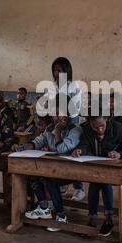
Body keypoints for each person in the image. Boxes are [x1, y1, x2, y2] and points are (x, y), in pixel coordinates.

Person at [12, 94, 82, 232]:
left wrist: (57, 132)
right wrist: (21, 148)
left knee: (50, 179)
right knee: (33, 175)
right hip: (54, 169)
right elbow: (38, 142)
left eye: (59, 113)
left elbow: (62, 149)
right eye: (54, 113)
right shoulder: (50, 128)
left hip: (72, 171)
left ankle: (61, 215)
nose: (56, 117)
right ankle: (44, 207)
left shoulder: (75, 130)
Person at [72, 115, 122, 236]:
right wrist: (80, 150)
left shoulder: (118, 129)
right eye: (96, 127)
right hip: (97, 168)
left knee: (103, 181)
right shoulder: (87, 130)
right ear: (89, 123)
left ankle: (106, 218)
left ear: (107, 119)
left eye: (102, 126)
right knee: (96, 181)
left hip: (116, 169)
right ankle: (95, 219)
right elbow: (84, 145)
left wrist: (119, 155)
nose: (99, 130)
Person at [49, 57, 85, 202]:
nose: (57, 73)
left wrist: (65, 115)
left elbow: (75, 106)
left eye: (60, 70)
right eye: (55, 70)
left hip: (72, 119)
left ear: (67, 71)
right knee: (57, 150)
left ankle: (79, 188)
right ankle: (60, 182)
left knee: (71, 153)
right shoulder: (52, 86)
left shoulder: (73, 85)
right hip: (57, 118)